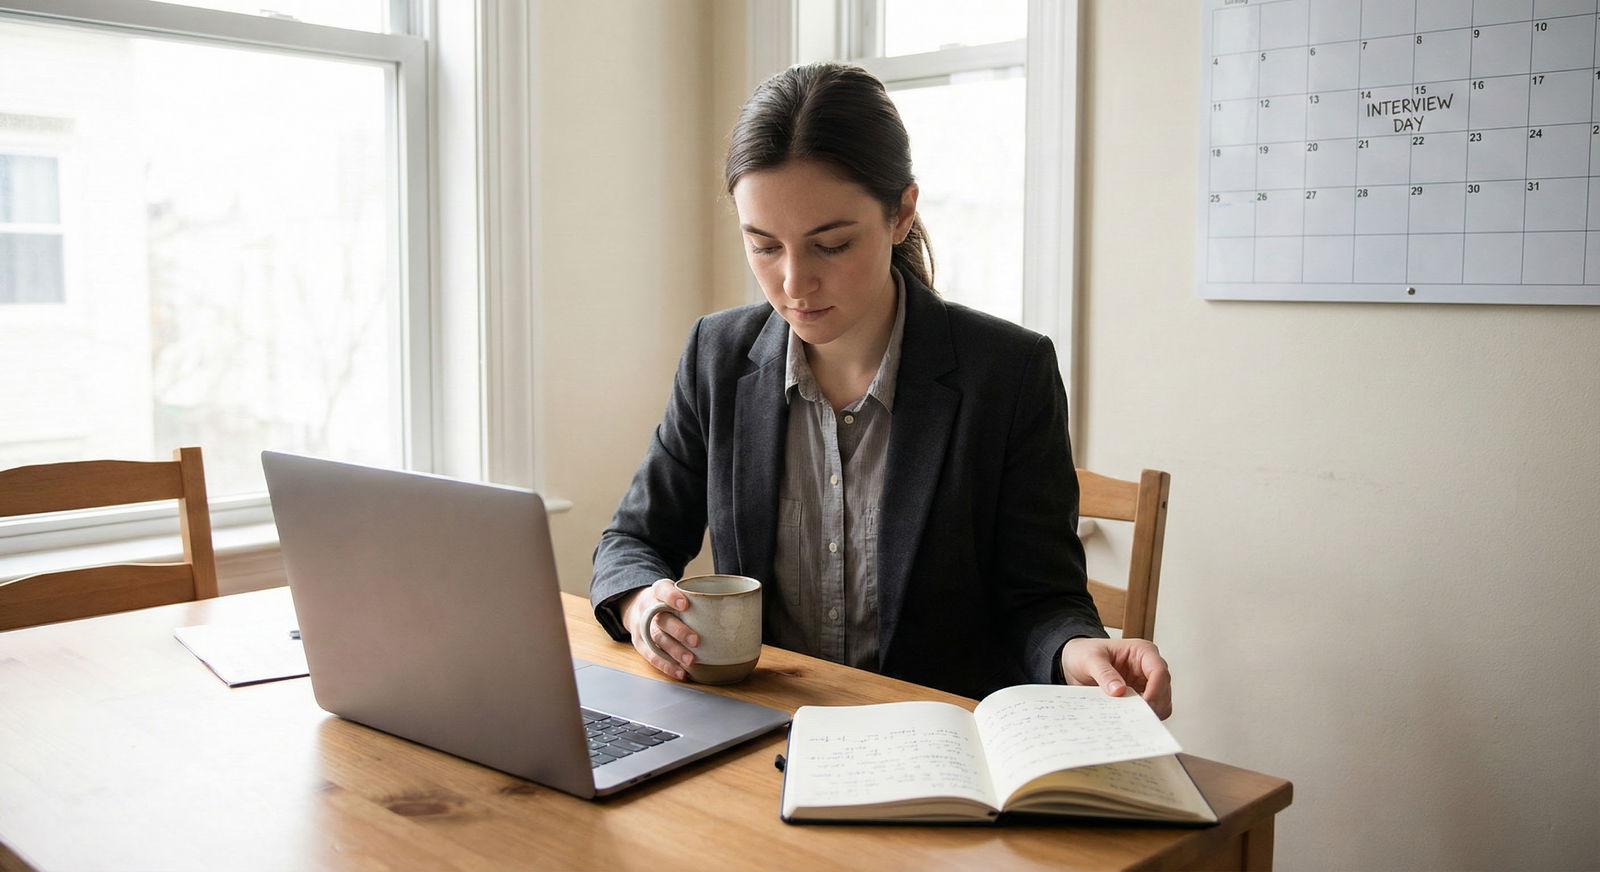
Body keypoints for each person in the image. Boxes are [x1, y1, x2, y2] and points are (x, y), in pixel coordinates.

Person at [590, 62, 1171, 718]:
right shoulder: (718, 357)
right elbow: (632, 541)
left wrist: (1077, 650)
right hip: (766, 739)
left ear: (901, 214)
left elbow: (1040, 599)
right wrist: (643, 606)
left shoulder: (1007, 373)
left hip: (940, 745)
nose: (794, 284)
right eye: (764, 247)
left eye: (831, 245)